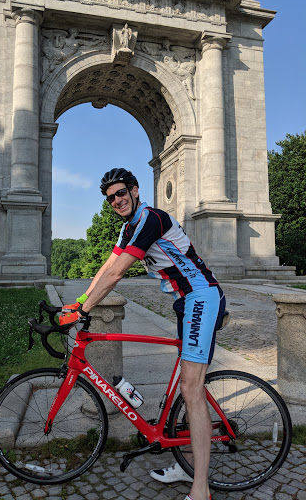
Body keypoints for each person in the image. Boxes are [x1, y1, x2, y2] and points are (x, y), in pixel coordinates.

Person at [60, 168, 226, 500]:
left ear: (135, 191)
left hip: (201, 297)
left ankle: (201, 488)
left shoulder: (151, 219)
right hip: (186, 302)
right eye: (110, 198)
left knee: (191, 389)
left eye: (121, 193)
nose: (116, 200)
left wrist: (84, 311)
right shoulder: (129, 227)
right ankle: (190, 460)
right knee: (187, 386)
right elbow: (107, 266)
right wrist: (78, 302)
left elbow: (118, 274)